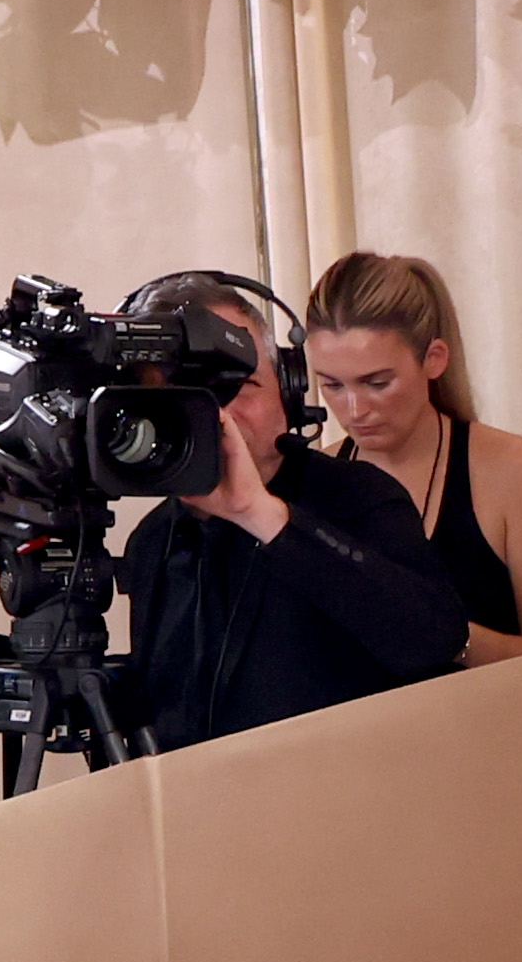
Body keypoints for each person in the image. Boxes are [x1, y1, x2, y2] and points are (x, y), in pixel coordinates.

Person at [116, 273, 468, 750]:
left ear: (288, 387)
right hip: (202, 814)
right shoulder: (153, 539)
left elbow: (435, 641)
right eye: (184, 395)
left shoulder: (358, 496)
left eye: (238, 386)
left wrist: (262, 516)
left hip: (343, 806)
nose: (219, 415)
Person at [302, 251, 522, 663]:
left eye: (377, 383)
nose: (355, 409)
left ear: (434, 359)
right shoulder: (314, 480)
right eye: (331, 385)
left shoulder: (514, 468)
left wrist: (443, 633)